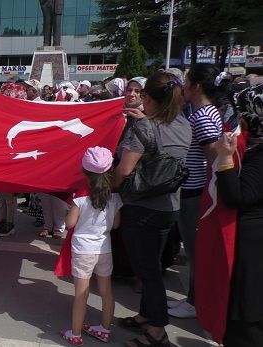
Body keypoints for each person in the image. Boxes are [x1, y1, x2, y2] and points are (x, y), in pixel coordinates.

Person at [113, 71, 192, 347]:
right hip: (169, 207)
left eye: (143, 94)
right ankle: (146, 315)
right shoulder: (183, 124)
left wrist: (107, 186)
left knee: (147, 272)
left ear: (149, 97)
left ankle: (157, 331)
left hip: (142, 207)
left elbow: (124, 169)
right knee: (153, 266)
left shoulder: (143, 127)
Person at [167, 64, 224, 319]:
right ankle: (192, 297)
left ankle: (196, 302)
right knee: (191, 248)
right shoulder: (200, 113)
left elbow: (215, 159)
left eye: (187, 81)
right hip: (191, 190)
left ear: (196, 86)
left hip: (194, 192)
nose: (183, 86)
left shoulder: (203, 116)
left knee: (194, 249)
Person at [60, 146, 122, 346]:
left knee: (81, 293)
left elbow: (69, 223)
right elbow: (116, 225)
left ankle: (75, 333)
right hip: (104, 248)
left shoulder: (80, 197)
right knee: (107, 291)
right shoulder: (114, 196)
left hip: (83, 250)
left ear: (85, 171)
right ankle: (104, 330)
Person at [217, 84, 263, 347]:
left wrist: (225, 160)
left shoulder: (259, 158)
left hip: (254, 249)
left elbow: (238, 197)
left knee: (247, 322)